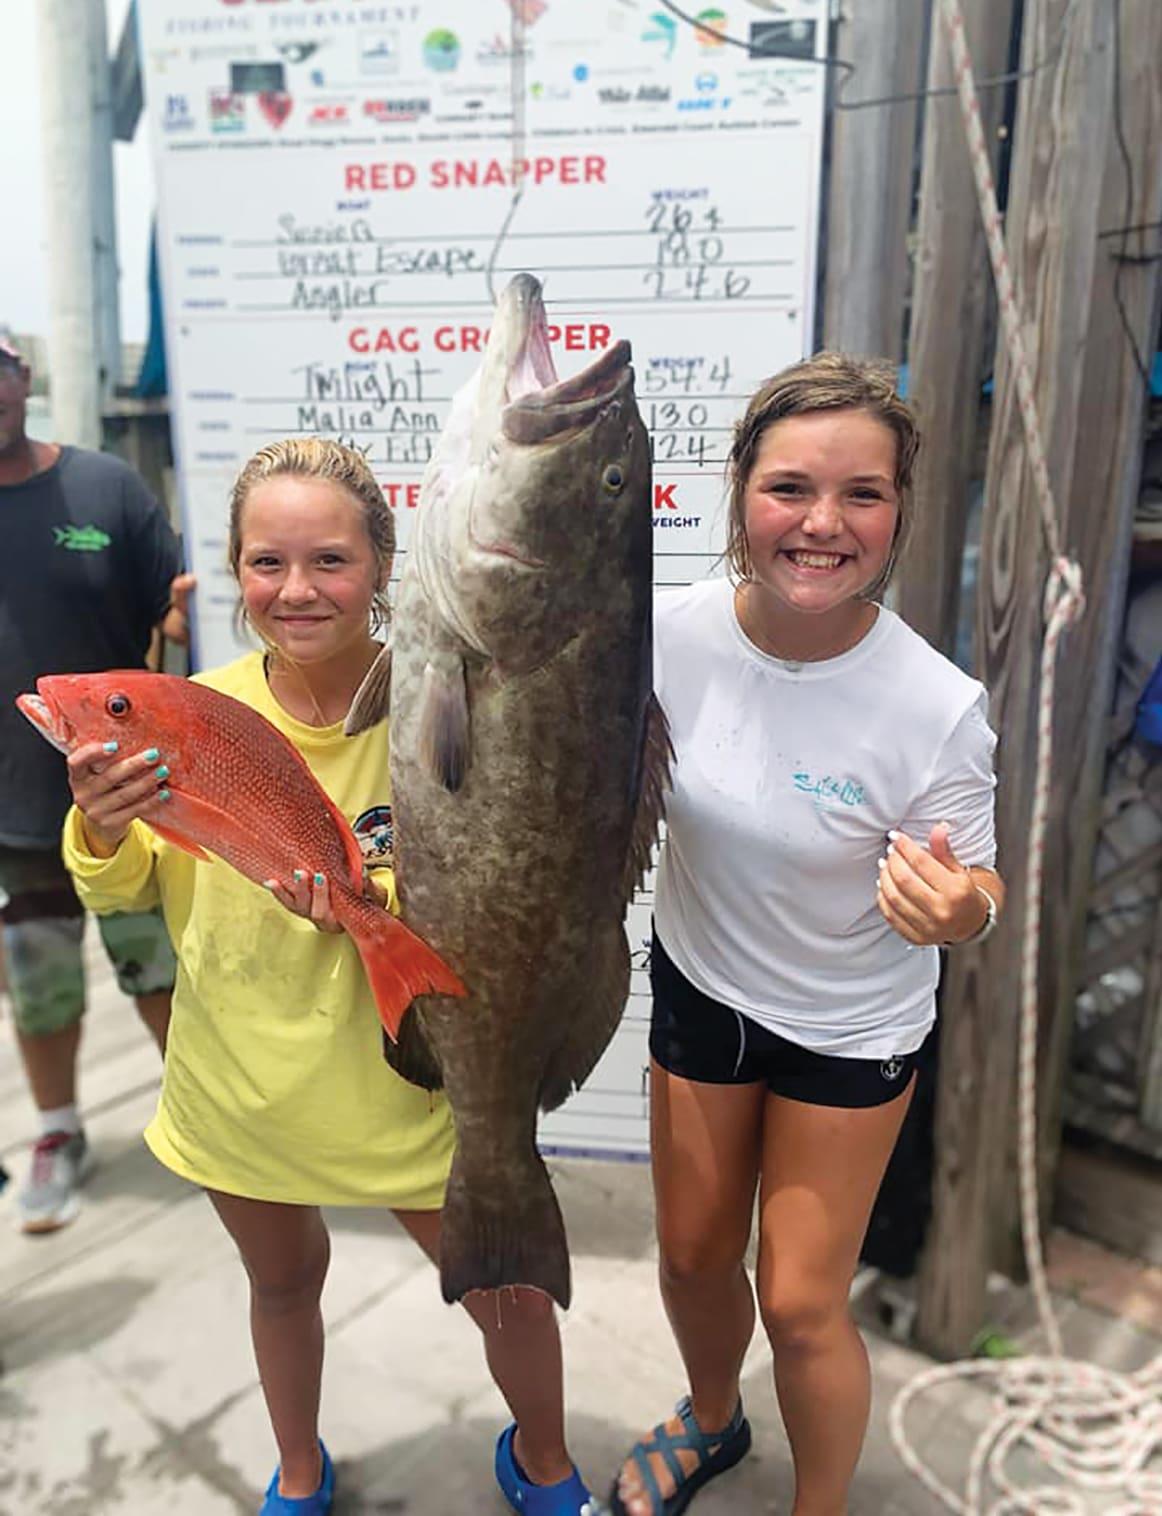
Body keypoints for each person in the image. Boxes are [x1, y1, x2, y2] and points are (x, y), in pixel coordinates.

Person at [61, 437, 599, 1516]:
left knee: (504, 1289)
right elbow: (120, 894)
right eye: (267, 562)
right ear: (234, 569)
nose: (296, 588)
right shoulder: (179, 709)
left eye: (330, 561)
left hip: (408, 1084)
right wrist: (100, 827)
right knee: (281, 1283)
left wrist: (376, 903)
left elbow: (503, 881)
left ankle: (545, 1459)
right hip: (241, 1085)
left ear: (384, 565)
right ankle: (300, 1471)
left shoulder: (449, 706)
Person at [611, 354, 1005, 1516]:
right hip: (703, 985)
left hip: (851, 1023)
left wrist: (962, 909)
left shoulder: (935, 704)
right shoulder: (663, 636)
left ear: (899, 509)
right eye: (790, 486)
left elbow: (979, 879)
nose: (823, 523)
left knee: (798, 1302)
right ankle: (712, 1417)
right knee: (690, 1254)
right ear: (741, 488)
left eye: (862, 493)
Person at [0, 332, 190, 1235]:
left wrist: (197, 610)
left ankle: (207, 1118)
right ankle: (58, 1131)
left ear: (24, 377)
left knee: (158, 970)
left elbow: (180, 614)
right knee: (40, 985)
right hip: (14, 809)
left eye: (0, 370)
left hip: (131, 798)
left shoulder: (106, 489)